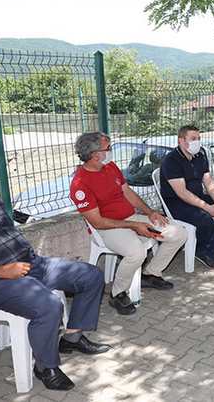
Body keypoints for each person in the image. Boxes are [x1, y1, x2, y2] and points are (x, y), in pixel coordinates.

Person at [0, 157, 110, 391]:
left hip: (30, 263)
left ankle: (72, 337)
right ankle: (45, 366)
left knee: (91, 275)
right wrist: (4, 271)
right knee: (49, 305)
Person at [70, 132, 187, 316]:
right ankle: (117, 294)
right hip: (109, 228)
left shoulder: (110, 167)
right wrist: (133, 225)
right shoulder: (80, 184)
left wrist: (150, 212)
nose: (111, 151)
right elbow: (98, 222)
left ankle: (151, 273)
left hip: (132, 218)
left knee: (178, 233)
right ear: (95, 155)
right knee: (136, 252)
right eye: (108, 148)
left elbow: (127, 192)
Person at [160, 125, 214, 269]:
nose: (197, 142)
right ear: (181, 140)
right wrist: (208, 208)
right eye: (193, 138)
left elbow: (208, 181)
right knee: (205, 219)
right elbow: (182, 193)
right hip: (176, 203)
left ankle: (207, 249)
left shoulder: (200, 156)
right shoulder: (171, 160)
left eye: (199, 138)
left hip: (197, 197)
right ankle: (202, 248)